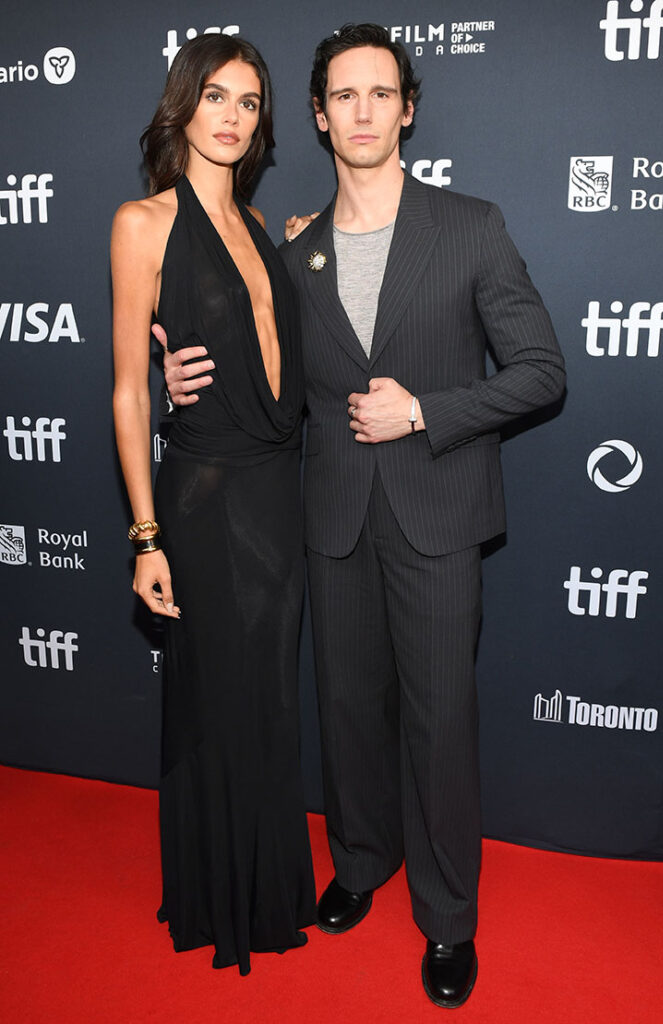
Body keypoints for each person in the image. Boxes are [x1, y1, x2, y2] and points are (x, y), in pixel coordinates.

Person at [162, 24, 566, 1007]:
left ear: (407, 107)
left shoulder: (470, 225)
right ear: (316, 114)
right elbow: (262, 377)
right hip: (331, 519)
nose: (361, 111)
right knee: (344, 717)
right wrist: (174, 382)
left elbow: (541, 371)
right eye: (341, 95)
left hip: (437, 518)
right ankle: (357, 861)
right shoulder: (289, 251)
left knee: (437, 726)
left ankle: (447, 919)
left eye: (379, 93)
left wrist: (425, 408)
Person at [110, 34, 315, 975]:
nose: (233, 117)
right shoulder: (144, 223)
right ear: (183, 105)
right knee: (222, 701)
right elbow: (127, 390)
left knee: (269, 701)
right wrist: (144, 536)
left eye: (249, 102)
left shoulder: (267, 225)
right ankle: (221, 895)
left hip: (279, 488)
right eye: (217, 97)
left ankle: (269, 884)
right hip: (205, 498)